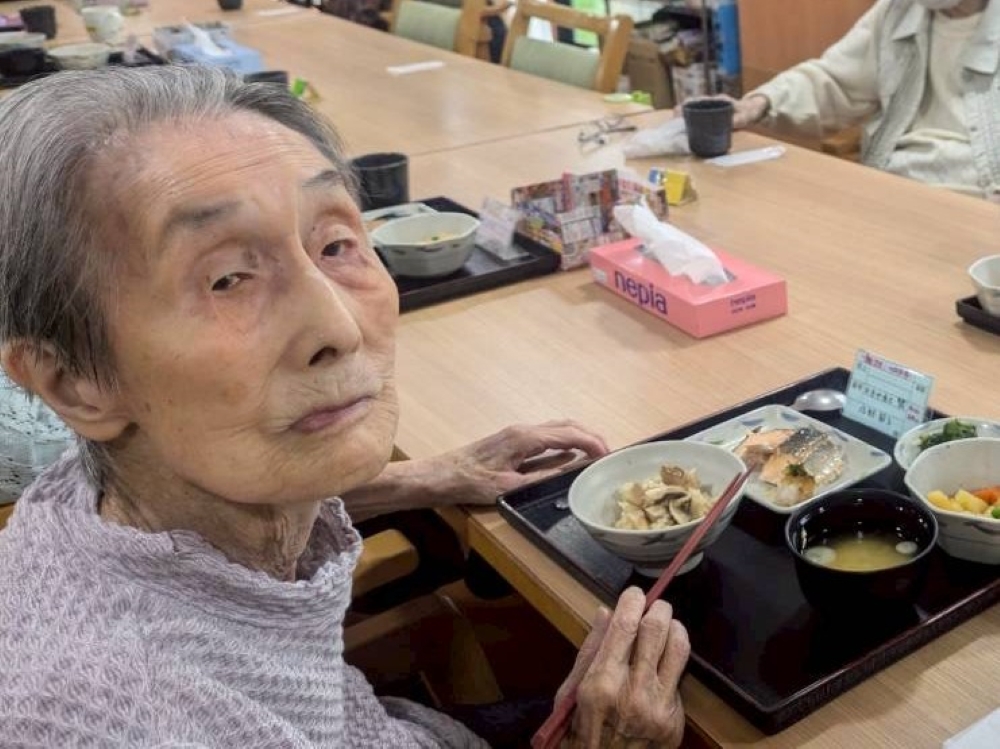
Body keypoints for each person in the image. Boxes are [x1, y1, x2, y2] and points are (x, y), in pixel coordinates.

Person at [0, 65, 690, 747]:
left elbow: (205, 524)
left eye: (334, 243)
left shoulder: (120, 482)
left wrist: (428, 475)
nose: (339, 327)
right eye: (227, 279)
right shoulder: (123, 716)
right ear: (69, 382)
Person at [728, 0, 1000, 199]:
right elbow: (835, 80)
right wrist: (759, 104)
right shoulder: (896, 10)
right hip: (893, 189)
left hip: (980, 202)